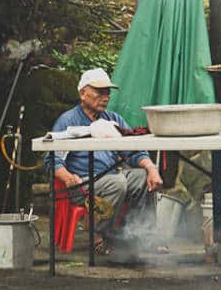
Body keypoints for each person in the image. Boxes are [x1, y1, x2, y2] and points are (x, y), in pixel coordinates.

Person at [46, 68, 162, 255]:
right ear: (83, 93)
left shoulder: (113, 119)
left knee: (142, 177)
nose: (106, 97)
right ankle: (97, 235)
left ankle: (143, 237)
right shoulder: (68, 120)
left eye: (108, 92)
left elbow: (134, 150)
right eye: (99, 92)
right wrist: (67, 177)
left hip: (112, 176)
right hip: (81, 183)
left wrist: (151, 168)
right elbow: (52, 158)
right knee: (117, 183)